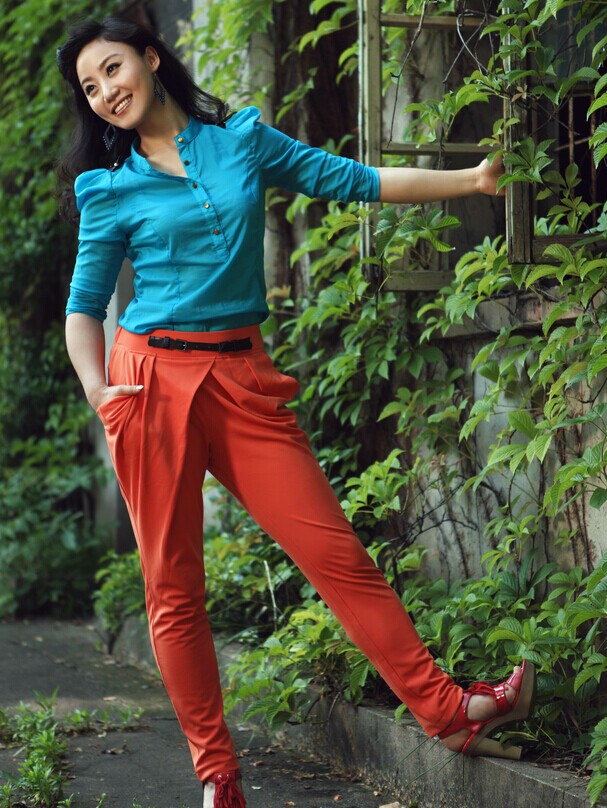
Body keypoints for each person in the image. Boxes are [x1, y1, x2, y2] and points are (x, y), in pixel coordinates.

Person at [56, 16, 535, 808]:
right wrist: (97, 390)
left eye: (112, 69)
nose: (106, 91)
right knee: (172, 589)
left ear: (150, 57)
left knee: (333, 553)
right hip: (148, 383)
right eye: (90, 87)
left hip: (240, 378)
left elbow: (353, 179)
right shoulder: (109, 189)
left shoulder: (240, 141)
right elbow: (83, 307)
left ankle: (447, 711)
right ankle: (218, 777)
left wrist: (472, 180)